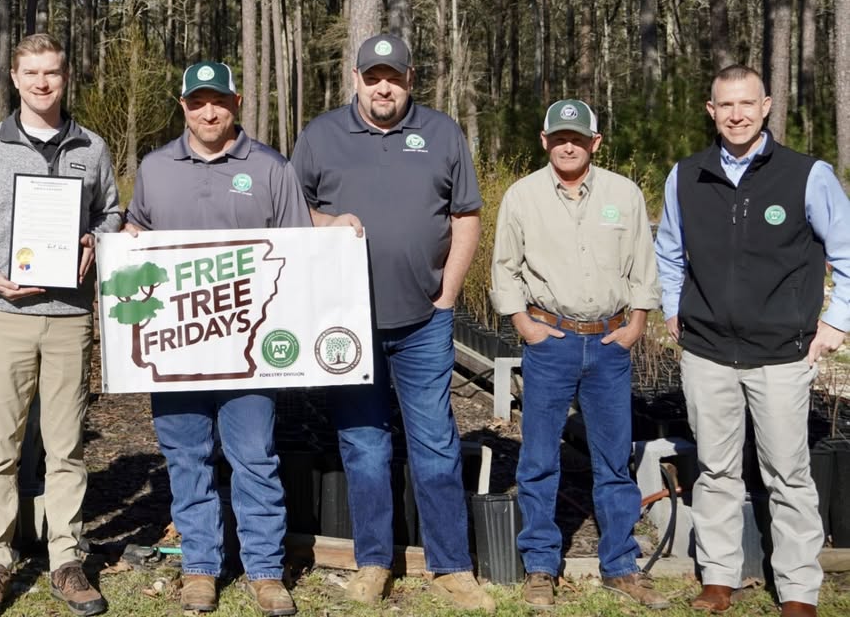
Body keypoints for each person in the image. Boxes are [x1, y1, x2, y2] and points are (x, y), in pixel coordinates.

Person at [289, 33, 493, 611]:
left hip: (423, 321)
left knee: (434, 442)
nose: (384, 86)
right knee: (363, 446)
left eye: (395, 77)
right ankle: (374, 561)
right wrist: (326, 222)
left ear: (410, 80)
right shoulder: (321, 135)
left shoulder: (442, 133)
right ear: (354, 78)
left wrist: (448, 293)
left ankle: (451, 564)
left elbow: (466, 215)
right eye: (373, 76)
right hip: (345, 324)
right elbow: (289, 207)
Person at [656, 65, 850, 617]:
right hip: (708, 352)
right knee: (715, 471)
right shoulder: (686, 176)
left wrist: (836, 323)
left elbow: (846, 251)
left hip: (781, 355)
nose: (737, 115)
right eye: (725, 106)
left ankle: (797, 590)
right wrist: (675, 310)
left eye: (747, 104)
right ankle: (719, 578)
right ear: (710, 111)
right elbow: (668, 251)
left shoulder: (806, 175)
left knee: (787, 474)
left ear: (766, 106)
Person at [0, 33, 121, 617]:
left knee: (66, 446)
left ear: (66, 79)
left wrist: (99, 237)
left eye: (53, 73)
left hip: (70, 317)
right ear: (14, 79)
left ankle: (66, 557)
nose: (42, 83)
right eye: (32, 73)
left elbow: (112, 210)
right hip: (6, 315)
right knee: (0, 446)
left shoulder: (90, 146)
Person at [123, 61, 308, 617]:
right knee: (188, 457)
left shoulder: (271, 168)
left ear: (238, 102)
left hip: (248, 349)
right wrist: (128, 242)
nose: (209, 111)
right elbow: (136, 238)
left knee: (255, 457)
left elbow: (297, 253)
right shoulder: (155, 169)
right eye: (199, 101)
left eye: (220, 101)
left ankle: (266, 571)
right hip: (177, 346)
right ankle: (200, 567)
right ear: (183, 106)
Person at [490, 99, 667, 609]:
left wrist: (636, 323)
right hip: (552, 341)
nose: (570, 144)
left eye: (579, 137)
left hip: (610, 344)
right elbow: (506, 267)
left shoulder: (623, 194)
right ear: (545, 141)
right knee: (540, 459)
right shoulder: (523, 197)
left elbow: (642, 264)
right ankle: (540, 565)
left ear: (596, 141)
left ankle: (620, 565)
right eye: (560, 136)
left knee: (613, 461)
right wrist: (524, 323)